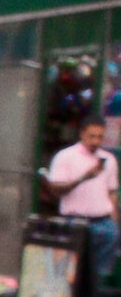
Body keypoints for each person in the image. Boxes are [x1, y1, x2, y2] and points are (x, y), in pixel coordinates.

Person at [44, 119, 119, 281]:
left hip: (104, 223)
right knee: (70, 273)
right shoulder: (66, 156)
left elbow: (112, 191)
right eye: (92, 136)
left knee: (101, 273)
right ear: (82, 134)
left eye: (100, 137)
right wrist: (83, 178)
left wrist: (114, 221)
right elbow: (56, 189)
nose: (96, 141)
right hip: (74, 221)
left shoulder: (109, 159)